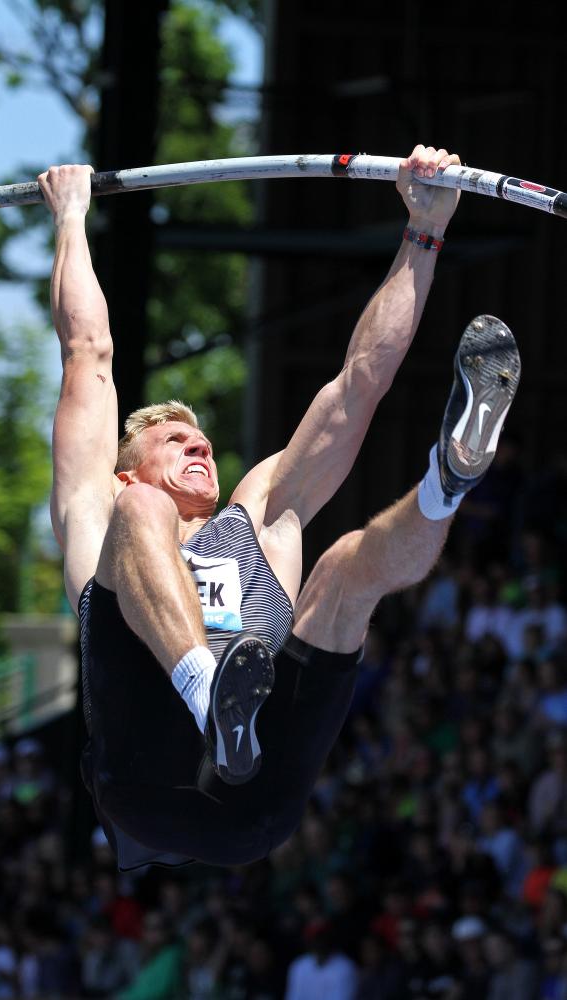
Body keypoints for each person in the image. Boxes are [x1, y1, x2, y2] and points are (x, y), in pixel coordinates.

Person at [37, 143, 521, 869]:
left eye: (203, 441)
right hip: (151, 783)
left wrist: (424, 233)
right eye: (176, 441)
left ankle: (444, 481)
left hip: (256, 800)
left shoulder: (256, 514)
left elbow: (359, 384)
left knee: (343, 570)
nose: (200, 448)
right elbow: (87, 351)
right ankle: (208, 697)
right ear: (126, 465)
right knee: (142, 517)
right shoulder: (103, 505)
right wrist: (71, 217)